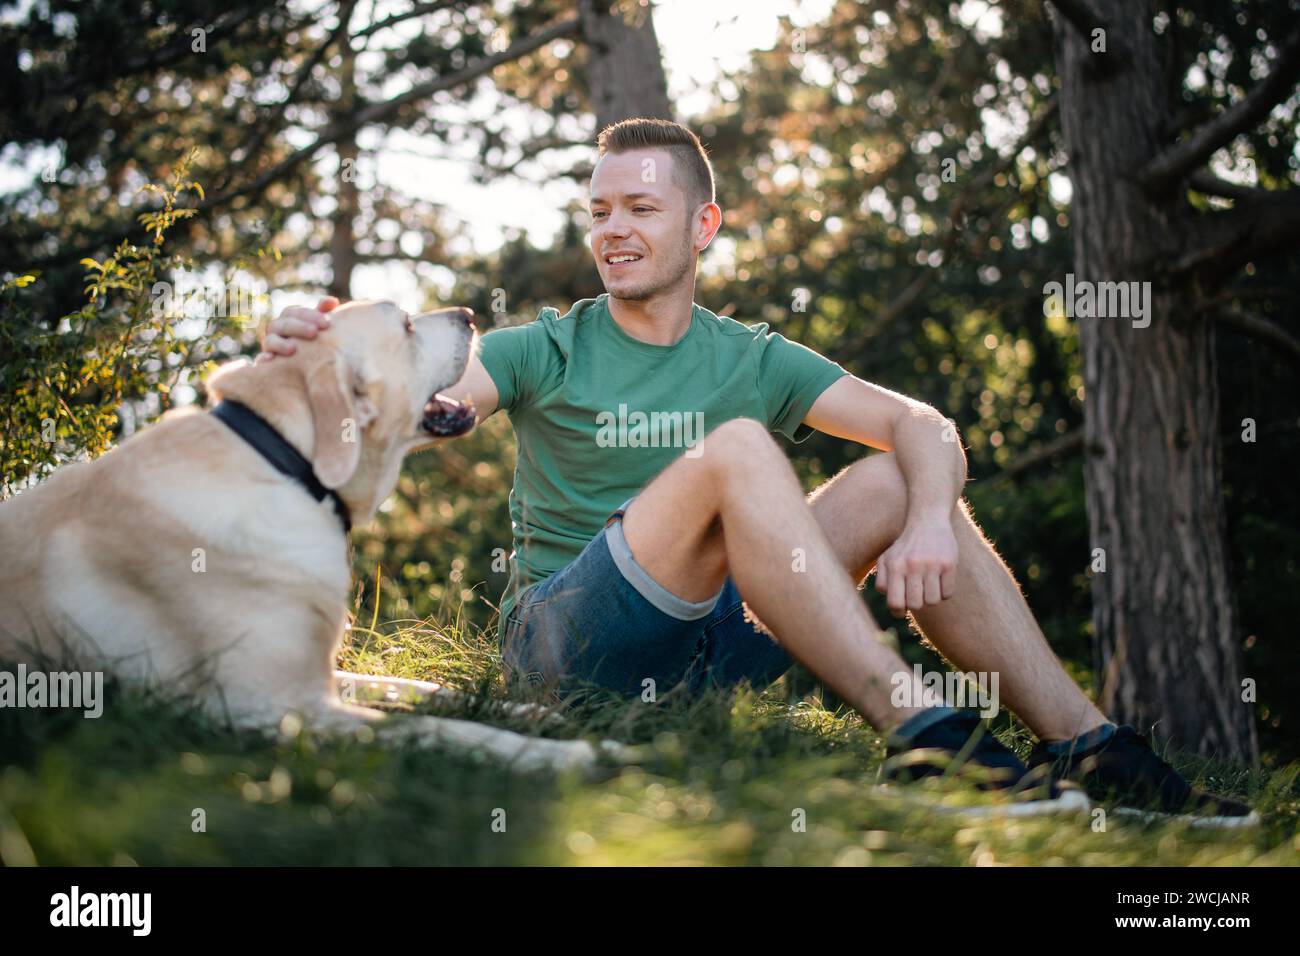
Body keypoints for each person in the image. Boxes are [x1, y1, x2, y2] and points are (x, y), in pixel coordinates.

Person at [260, 118, 1255, 825]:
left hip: (708, 657)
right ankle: (923, 728)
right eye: (598, 208)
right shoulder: (543, 346)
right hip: (566, 648)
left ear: (703, 227)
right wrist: (332, 372)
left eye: (639, 207)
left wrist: (929, 520)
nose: (610, 228)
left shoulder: (753, 354)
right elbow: (445, 403)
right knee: (738, 447)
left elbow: (920, 421)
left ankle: (1093, 748)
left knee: (892, 475)